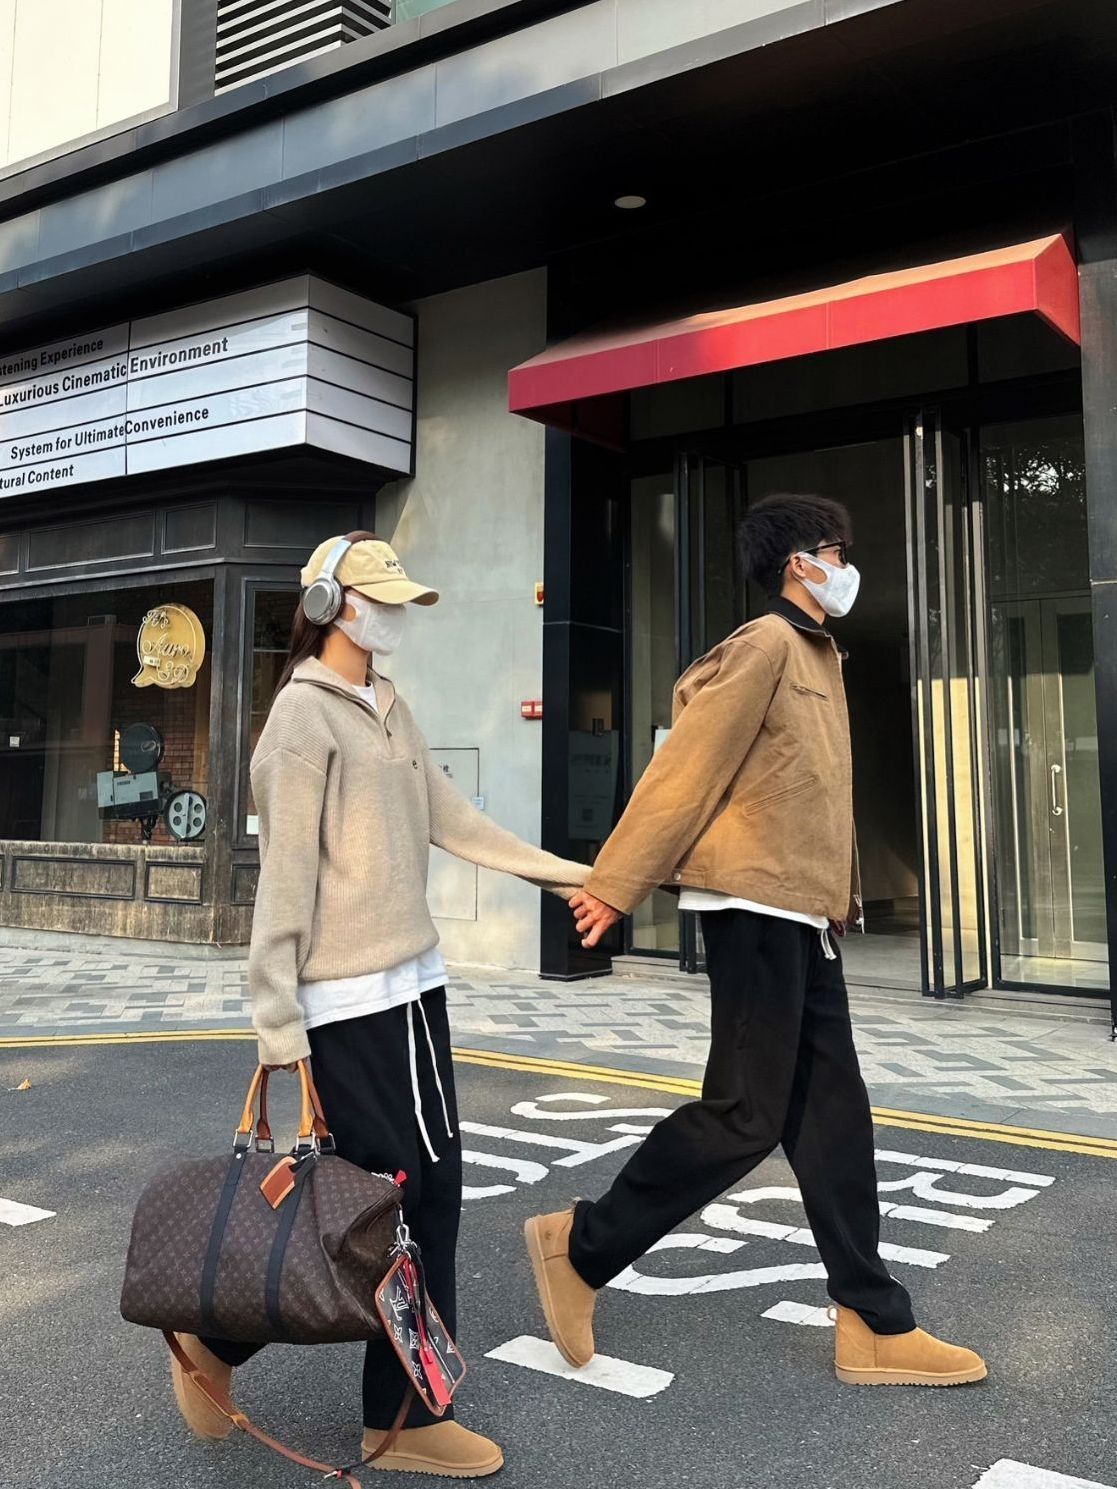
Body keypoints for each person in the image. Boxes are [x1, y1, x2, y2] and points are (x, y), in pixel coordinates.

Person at [524, 494, 987, 1389]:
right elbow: (684, 768)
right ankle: (580, 1246)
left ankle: (872, 1320)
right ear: (798, 563)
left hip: (801, 916)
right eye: (836, 550)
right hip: (752, 909)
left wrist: (837, 895)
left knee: (834, 1119)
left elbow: (812, 793)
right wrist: (616, 882)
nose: (846, 566)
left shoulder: (818, 653)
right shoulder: (764, 644)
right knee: (745, 1114)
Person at [169, 532, 589, 1477]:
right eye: (380, 597)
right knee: (398, 1201)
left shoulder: (388, 706)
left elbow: (453, 818)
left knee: (404, 1199)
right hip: (347, 1002)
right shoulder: (300, 720)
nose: (394, 614)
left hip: (414, 989)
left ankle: (264, 1360)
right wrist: (277, 1020)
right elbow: (283, 880)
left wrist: (568, 874)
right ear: (330, 603)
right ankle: (381, 1404)